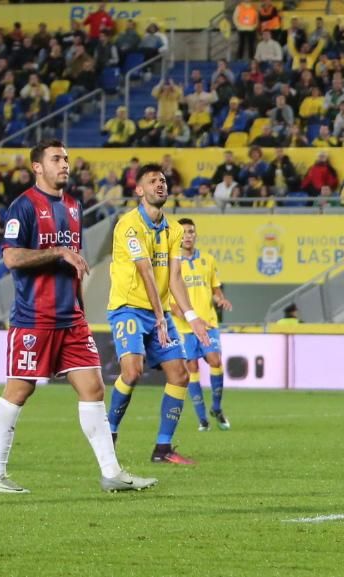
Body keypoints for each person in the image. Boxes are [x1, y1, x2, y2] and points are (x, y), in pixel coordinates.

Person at [0, 139, 156, 494]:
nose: (64, 164)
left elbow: (74, 264)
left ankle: (111, 472)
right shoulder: (23, 207)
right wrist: (59, 250)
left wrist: (79, 307)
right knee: (19, 389)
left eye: (66, 159)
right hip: (35, 318)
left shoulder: (75, 207)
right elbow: (12, 258)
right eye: (56, 159)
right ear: (37, 167)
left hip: (71, 319)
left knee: (93, 387)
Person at [106, 164, 211, 465]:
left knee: (179, 375)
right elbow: (145, 271)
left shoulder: (174, 229)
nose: (159, 185)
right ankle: (109, 431)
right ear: (139, 190)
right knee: (132, 371)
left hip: (158, 312)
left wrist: (191, 316)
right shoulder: (129, 226)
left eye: (163, 181)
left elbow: (174, 276)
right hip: (128, 307)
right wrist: (161, 317)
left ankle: (162, 449)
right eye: (152, 181)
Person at [171, 218, 233, 432]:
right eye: (184, 232)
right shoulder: (172, 264)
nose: (188, 235)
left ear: (196, 235)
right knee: (192, 368)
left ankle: (216, 408)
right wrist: (183, 314)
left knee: (215, 360)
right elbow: (170, 300)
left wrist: (221, 299)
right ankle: (202, 419)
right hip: (184, 328)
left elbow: (215, 289)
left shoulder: (208, 260)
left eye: (191, 232)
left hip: (208, 323)